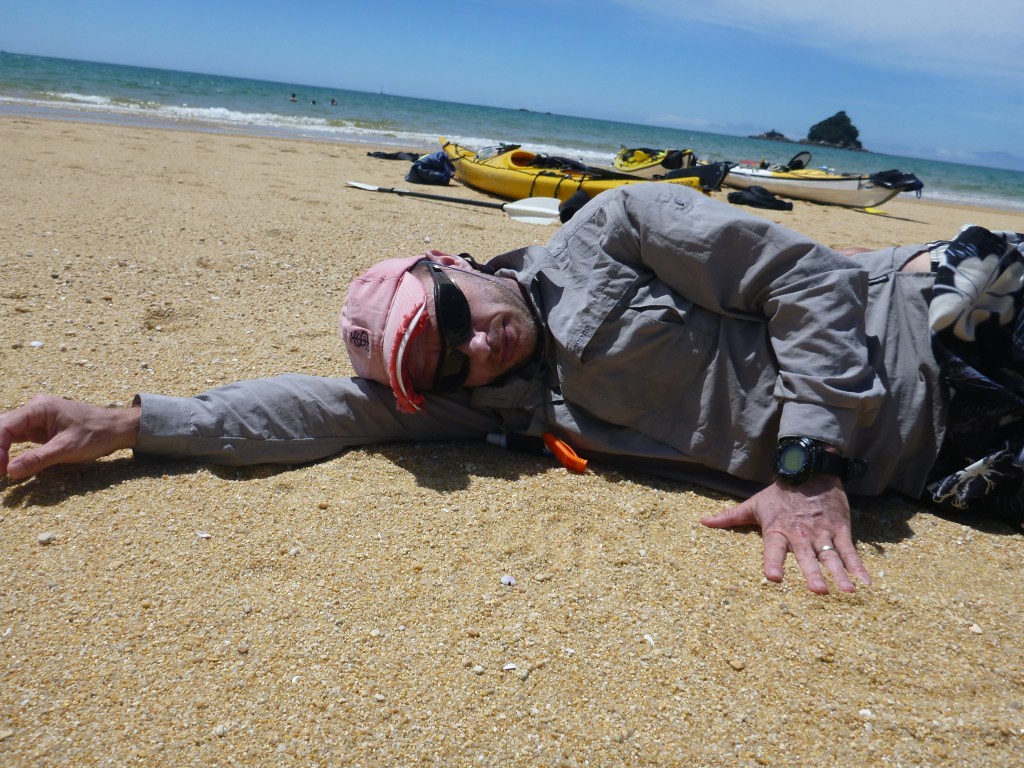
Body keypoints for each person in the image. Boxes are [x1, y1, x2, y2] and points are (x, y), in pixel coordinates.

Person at [2, 184, 1021, 595]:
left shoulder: (614, 232)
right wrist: (129, 420)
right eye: (443, 364)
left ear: (455, 258)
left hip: (947, 324)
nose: (474, 347)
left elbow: (800, 278)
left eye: (455, 316)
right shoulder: (495, 398)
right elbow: (316, 409)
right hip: (942, 462)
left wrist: (806, 465)